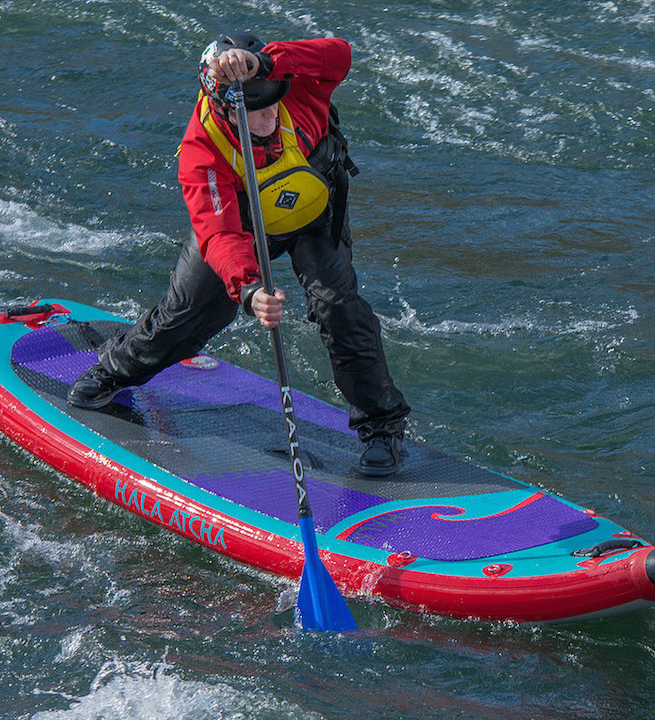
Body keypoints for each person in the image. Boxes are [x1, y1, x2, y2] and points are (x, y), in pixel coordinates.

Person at [68, 31, 410, 477]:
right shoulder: (200, 149)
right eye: (253, 107)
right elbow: (218, 234)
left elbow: (339, 54)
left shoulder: (294, 82)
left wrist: (265, 62)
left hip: (313, 214)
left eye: (271, 100)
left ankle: (382, 427)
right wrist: (247, 288)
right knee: (186, 315)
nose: (268, 114)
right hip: (244, 228)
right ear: (225, 106)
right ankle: (114, 371)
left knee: (338, 306)